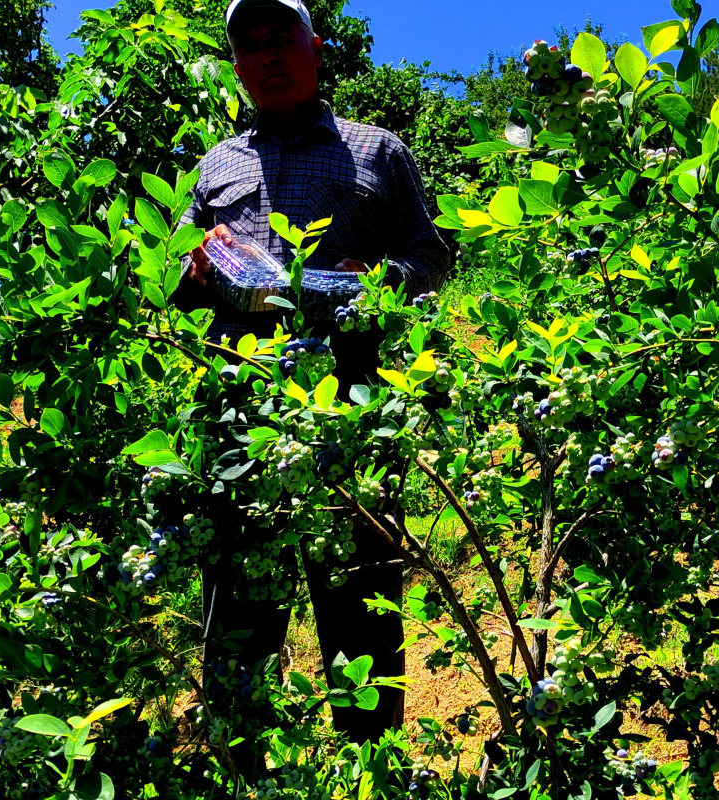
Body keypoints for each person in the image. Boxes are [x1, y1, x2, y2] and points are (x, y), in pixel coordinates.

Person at [169, 0, 451, 749]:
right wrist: (195, 271)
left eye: (280, 38)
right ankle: (242, 762)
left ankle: (371, 763)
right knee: (237, 610)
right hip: (238, 409)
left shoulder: (377, 150)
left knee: (360, 604)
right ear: (235, 66)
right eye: (249, 45)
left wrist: (379, 279)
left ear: (316, 49)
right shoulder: (215, 165)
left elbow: (432, 255)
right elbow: (171, 283)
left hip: (351, 410)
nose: (266, 55)